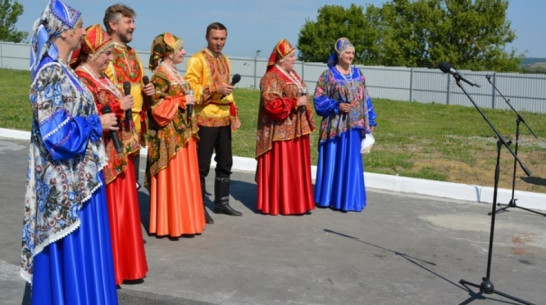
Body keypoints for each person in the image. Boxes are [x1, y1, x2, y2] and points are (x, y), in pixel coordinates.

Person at [22, 1, 118, 304]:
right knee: (70, 251)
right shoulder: (50, 73)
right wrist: (95, 122)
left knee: (85, 251)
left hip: (80, 181)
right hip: (64, 186)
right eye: (78, 27)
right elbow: (56, 135)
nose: (82, 32)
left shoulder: (64, 71)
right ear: (63, 33)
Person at [71, 24, 148, 285]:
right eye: (105, 54)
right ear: (91, 53)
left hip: (120, 151)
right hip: (104, 157)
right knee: (112, 212)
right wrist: (118, 105)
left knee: (125, 211)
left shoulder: (102, 77)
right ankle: (113, 269)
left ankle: (127, 266)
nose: (108, 59)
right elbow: (87, 113)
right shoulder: (82, 78)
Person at [145, 32, 206, 237]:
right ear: (169, 53)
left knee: (185, 177)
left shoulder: (175, 73)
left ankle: (185, 220)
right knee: (174, 177)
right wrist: (179, 102)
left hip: (182, 133)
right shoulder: (160, 76)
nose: (184, 52)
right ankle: (170, 223)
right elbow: (155, 107)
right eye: (180, 49)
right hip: (168, 137)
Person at [184, 22, 242, 223]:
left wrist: (233, 112)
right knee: (202, 165)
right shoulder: (197, 59)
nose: (219, 43)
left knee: (226, 161)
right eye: (215, 38)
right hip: (205, 117)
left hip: (223, 117)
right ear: (207, 37)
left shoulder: (225, 59)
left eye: (222, 39)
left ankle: (221, 202)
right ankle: (198, 206)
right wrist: (215, 88)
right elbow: (190, 86)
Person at [313, 37, 377, 212]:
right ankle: (329, 198)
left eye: (353, 53)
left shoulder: (358, 74)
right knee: (334, 160)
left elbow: (366, 98)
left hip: (354, 127)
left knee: (352, 163)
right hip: (335, 127)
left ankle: (349, 200)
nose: (351, 56)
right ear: (339, 54)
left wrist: (371, 119)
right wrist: (336, 106)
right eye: (348, 53)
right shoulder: (328, 75)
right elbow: (318, 100)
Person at [255, 38, 316, 215]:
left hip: (297, 128)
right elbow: (271, 103)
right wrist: (294, 102)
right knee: (284, 168)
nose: (294, 59)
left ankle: (297, 202)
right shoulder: (271, 77)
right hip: (280, 132)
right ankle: (281, 203)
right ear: (281, 58)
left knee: (296, 168)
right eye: (291, 56)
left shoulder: (293, 75)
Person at [103, 3, 155, 188]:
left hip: (135, 125)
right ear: (113, 25)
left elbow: (140, 85)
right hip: (114, 125)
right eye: (128, 22)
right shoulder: (103, 52)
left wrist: (148, 91)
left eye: (133, 22)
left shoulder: (132, 53)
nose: (133, 26)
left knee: (132, 181)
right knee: (116, 179)